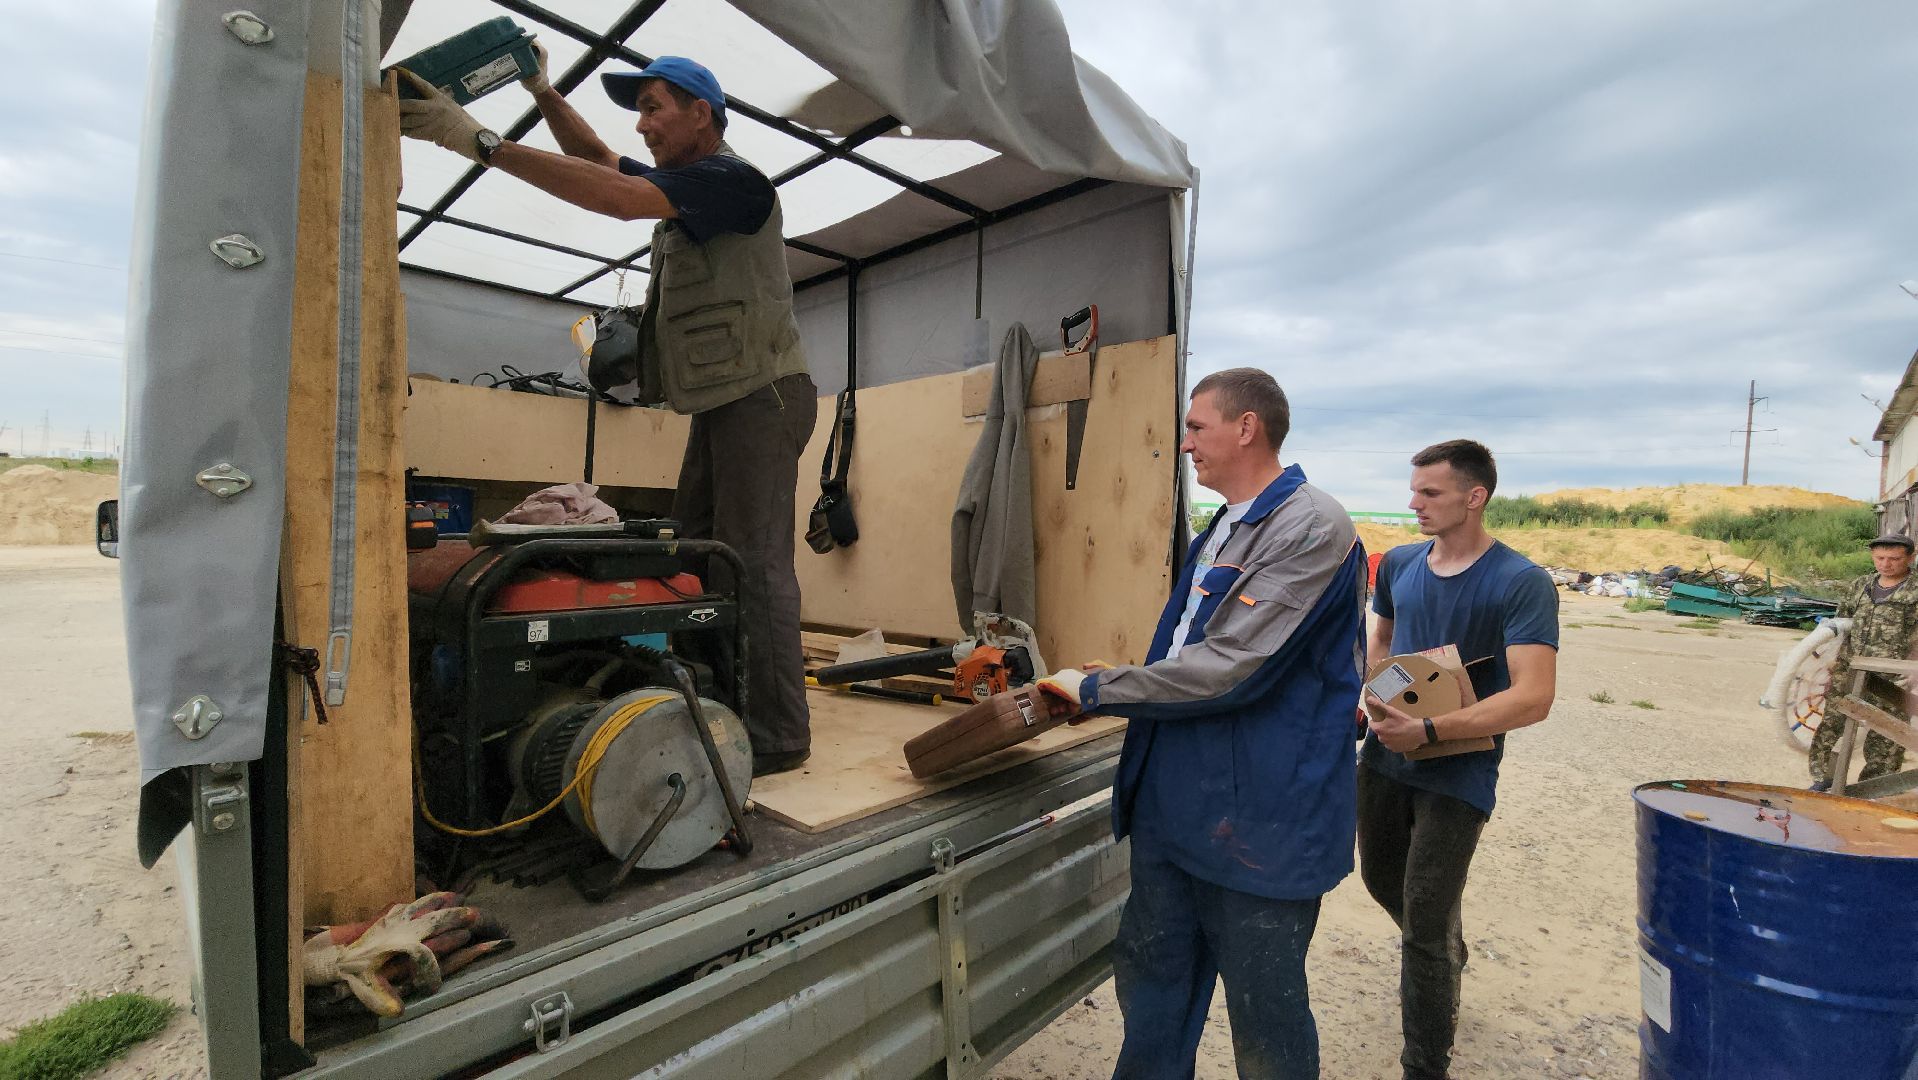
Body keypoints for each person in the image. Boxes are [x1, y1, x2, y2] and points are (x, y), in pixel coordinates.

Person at [397, 50, 817, 776]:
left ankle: (780, 736)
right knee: (696, 552)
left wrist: (475, 141)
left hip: (763, 397)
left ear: (702, 112)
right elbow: (594, 157)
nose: (644, 125)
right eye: (639, 111)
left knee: (752, 563)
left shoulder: (731, 180)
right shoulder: (690, 183)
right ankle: (715, 700)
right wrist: (539, 88)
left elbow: (613, 197)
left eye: (655, 107)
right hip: (726, 403)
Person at [1036, 368, 1365, 1080]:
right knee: (1154, 997)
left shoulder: (1313, 526)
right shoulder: (1223, 526)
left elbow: (1232, 670)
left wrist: (1097, 688)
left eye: (1196, 427)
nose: (1184, 444)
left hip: (1261, 833)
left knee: (1266, 1023)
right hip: (1178, 816)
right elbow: (1191, 650)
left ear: (1246, 427)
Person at [1358, 440, 1558, 1080]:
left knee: (1421, 925)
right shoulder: (1400, 564)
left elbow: (1533, 696)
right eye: (1414, 490)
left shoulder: (1520, 582)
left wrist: (1432, 730)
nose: (1413, 503)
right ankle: (1449, 947)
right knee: (1382, 881)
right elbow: (1383, 638)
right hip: (1386, 756)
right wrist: (1373, 697)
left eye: (1430, 493)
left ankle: (1425, 1064)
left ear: (1476, 497)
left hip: (1460, 772)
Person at [1807, 532, 1918, 791]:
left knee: (1887, 733)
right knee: (1832, 723)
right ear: (1872, 556)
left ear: (1911, 558)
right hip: (1850, 668)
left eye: (1894, 558)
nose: (1886, 564)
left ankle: (1875, 788)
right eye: (1880, 558)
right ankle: (1823, 780)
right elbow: (1841, 625)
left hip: (1894, 675)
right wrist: (1831, 663)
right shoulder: (1860, 586)